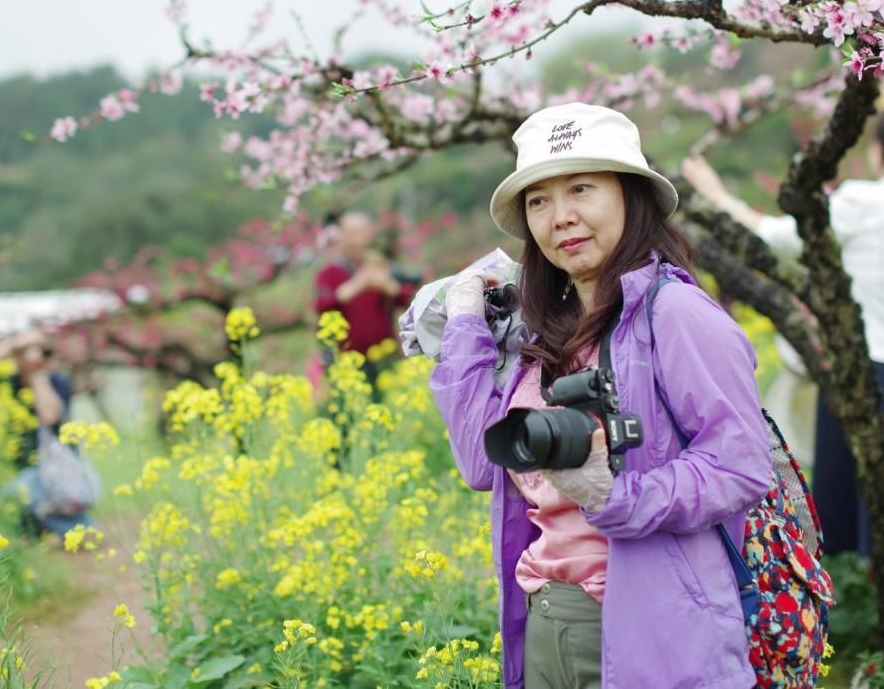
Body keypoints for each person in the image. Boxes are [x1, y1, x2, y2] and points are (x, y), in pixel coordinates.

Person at [432, 103, 774, 689]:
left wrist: (618, 494)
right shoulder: (549, 331)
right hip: (545, 616)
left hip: (655, 622)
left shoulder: (676, 313)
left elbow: (740, 466)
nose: (560, 217)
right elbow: (482, 462)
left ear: (629, 196)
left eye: (581, 189)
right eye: (538, 201)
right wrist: (465, 327)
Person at [681, 105, 884, 557]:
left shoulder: (862, 200)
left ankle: (866, 614)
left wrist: (718, 196)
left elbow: (777, 236)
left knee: (858, 514)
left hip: (867, 372)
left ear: (880, 150)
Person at [0, 329, 91, 537]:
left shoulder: (57, 381)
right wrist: (12, 345)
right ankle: (49, 528)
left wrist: (38, 375)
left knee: (30, 495)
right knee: (20, 500)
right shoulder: (10, 382)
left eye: (40, 349)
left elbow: (49, 416)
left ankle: (64, 527)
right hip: (23, 464)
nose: (34, 354)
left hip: (58, 467)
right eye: (26, 351)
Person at [313, 211, 416, 383]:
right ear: (341, 236)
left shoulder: (381, 266)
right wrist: (354, 286)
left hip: (385, 357)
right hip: (346, 363)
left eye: (360, 233)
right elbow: (321, 307)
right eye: (350, 233)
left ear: (369, 235)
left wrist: (389, 286)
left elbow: (406, 299)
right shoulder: (329, 274)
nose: (355, 240)